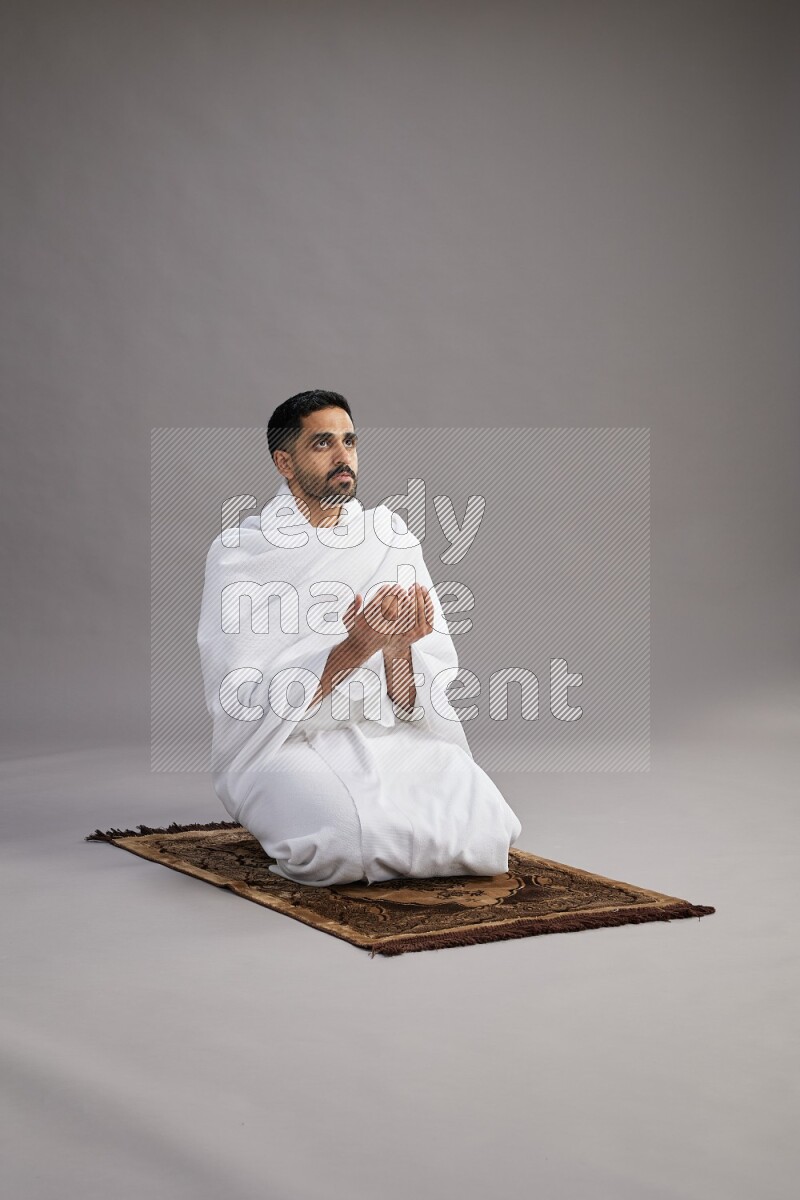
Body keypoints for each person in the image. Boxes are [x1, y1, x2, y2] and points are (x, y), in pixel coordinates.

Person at [196, 389, 522, 886]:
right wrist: (354, 649)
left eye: (349, 441)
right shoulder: (242, 553)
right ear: (285, 462)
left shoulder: (388, 536)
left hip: (384, 730)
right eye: (322, 443)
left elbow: (416, 699)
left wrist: (396, 649)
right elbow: (242, 700)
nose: (342, 456)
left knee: (488, 829)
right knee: (343, 843)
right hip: (282, 743)